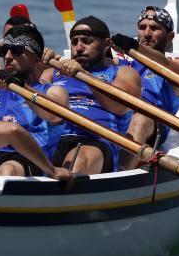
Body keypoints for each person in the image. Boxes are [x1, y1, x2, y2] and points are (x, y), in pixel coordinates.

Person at [40, 16, 141, 175]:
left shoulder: (122, 72)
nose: (79, 48)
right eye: (74, 42)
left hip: (96, 141)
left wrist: (85, 76)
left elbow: (119, 107)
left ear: (106, 44)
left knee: (77, 160)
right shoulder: (51, 73)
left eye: (86, 41)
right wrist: (35, 66)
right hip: (52, 140)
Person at [0, 24, 69, 183]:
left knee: (7, 170)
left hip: (30, 159)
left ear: (35, 59)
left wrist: (21, 87)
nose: (7, 56)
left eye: (16, 51)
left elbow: (53, 115)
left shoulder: (53, 91)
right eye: (4, 51)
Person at [112, 6, 179, 168]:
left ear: (170, 36)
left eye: (154, 28)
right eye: (142, 27)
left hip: (152, 125)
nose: (147, 33)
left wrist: (135, 47)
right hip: (120, 116)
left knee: (140, 118)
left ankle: (120, 172)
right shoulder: (126, 64)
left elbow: (166, 65)